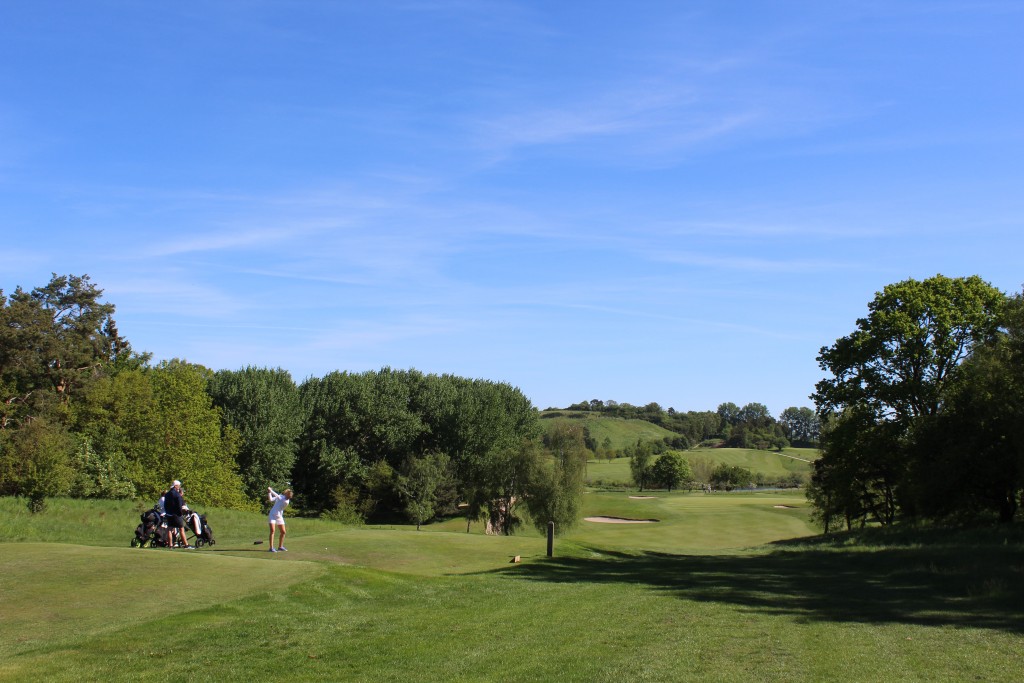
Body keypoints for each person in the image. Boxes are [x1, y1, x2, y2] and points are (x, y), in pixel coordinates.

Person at [164, 480, 192, 549]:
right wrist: (180, 513)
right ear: (176, 486)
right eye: (179, 485)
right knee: (181, 529)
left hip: (169, 514)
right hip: (176, 514)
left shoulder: (167, 494)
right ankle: (186, 545)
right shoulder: (177, 495)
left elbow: (165, 505)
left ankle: (170, 545)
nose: (179, 487)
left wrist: (167, 512)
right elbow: (179, 506)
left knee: (170, 529)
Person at [267, 487, 293, 552]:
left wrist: (271, 490)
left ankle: (280, 547)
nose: (289, 496)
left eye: (290, 495)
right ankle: (271, 548)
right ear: (286, 494)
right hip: (272, 515)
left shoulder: (286, 501)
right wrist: (269, 492)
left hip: (279, 516)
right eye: (288, 494)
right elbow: (270, 499)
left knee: (283, 532)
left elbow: (278, 496)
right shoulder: (281, 496)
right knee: (272, 530)